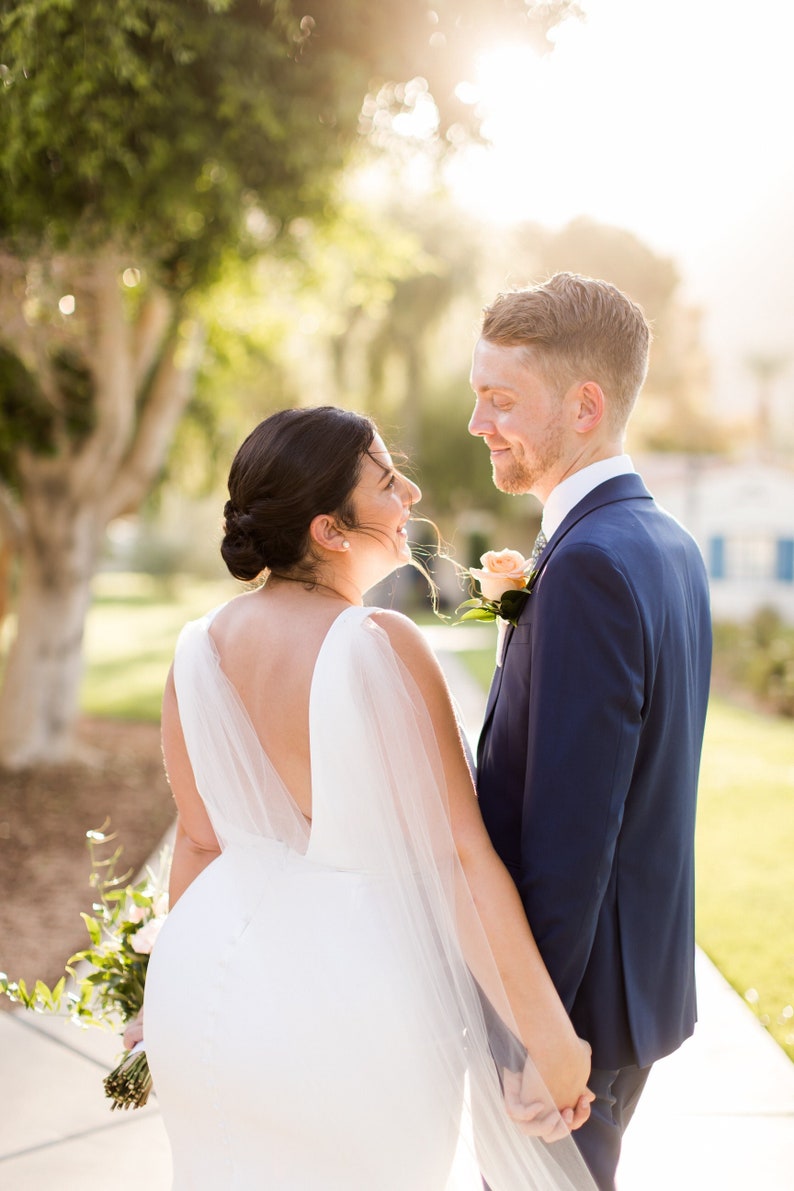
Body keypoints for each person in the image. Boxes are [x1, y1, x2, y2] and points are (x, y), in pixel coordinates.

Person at [141, 406, 596, 1190]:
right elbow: (459, 859)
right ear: (329, 529)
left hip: (204, 1003)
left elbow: (200, 842)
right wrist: (552, 1044)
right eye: (388, 480)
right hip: (353, 1017)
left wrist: (165, 1002)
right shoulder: (377, 643)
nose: (412, 491)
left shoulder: (198, 649)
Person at [468, 273, 713, 1190]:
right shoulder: (664, 545)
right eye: (476, 394)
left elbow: (575, 832)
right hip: (627, 996)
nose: (477, 422)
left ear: (584, 405)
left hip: (574, 1023)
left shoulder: (591, 567)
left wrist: (542, 1034)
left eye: (501, 399)